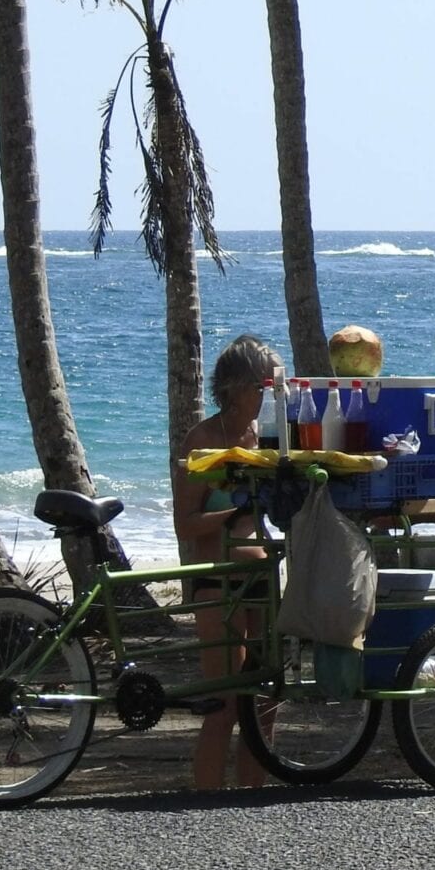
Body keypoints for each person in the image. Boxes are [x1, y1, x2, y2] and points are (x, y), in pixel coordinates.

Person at [172, 334, 282, 789]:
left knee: (266, 704)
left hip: (262, 577)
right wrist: (235, 513)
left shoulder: (267, 434)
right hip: (217, 580)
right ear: (238, 386)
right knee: (224, 704)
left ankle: (251, 802)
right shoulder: (204, 437)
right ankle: (206, 803)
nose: (271, 395)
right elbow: (187, 523)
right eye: (265, 387)